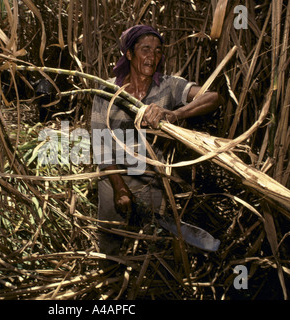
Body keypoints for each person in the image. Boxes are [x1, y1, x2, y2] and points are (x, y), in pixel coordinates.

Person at [91, 25, 223, 265]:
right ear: (129, 54)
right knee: (111, 235)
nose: (152, 56)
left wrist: (174, 114)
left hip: (150, 175)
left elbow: (212, 97)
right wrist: (120, 188)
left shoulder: (169, 86)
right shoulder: (107, 90)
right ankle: (110, 270)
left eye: (158, 51)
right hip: (114, 175)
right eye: (145, 49)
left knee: (155, 238)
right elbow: (100, 145)